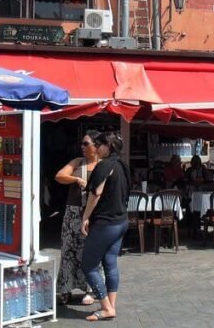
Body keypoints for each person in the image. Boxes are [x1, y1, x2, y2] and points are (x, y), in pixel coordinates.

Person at [81, 131, 130, 322]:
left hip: (106, 223)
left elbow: (96, 194)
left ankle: (106, 307)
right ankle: (110, 305)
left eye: (99, 144)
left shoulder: (105, 165)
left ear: (108, 147)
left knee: (89, 265)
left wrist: (85, 217)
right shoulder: (122, 165)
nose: (96, 148)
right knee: (110, 263)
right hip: (121, 221)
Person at [55, 130, 101, 306]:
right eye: (81, 143)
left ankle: (91, 289)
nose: (82, 147)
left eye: (85, 143)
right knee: (67, 251)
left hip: (93, 214)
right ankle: (65, 289)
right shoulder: (77, 162)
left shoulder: (102, 165)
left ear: (96, 146)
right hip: (73, 212)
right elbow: (59, 176)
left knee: (89, 252)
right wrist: (75, 180)